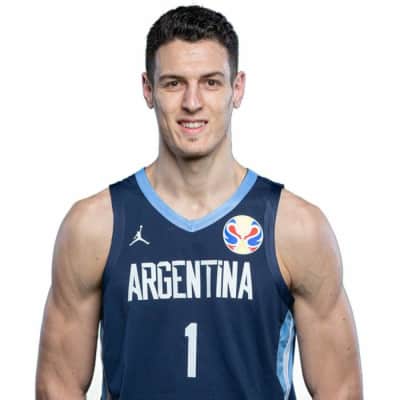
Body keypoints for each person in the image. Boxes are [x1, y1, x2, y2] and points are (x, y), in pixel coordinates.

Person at [35, 5, 363, 399]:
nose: (192, 102)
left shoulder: (296, 228)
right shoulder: (94, 226)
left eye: (210, 82)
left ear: (237, 88)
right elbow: (58, 385)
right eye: (174, 83)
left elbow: (340, 389)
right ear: (148, 89)